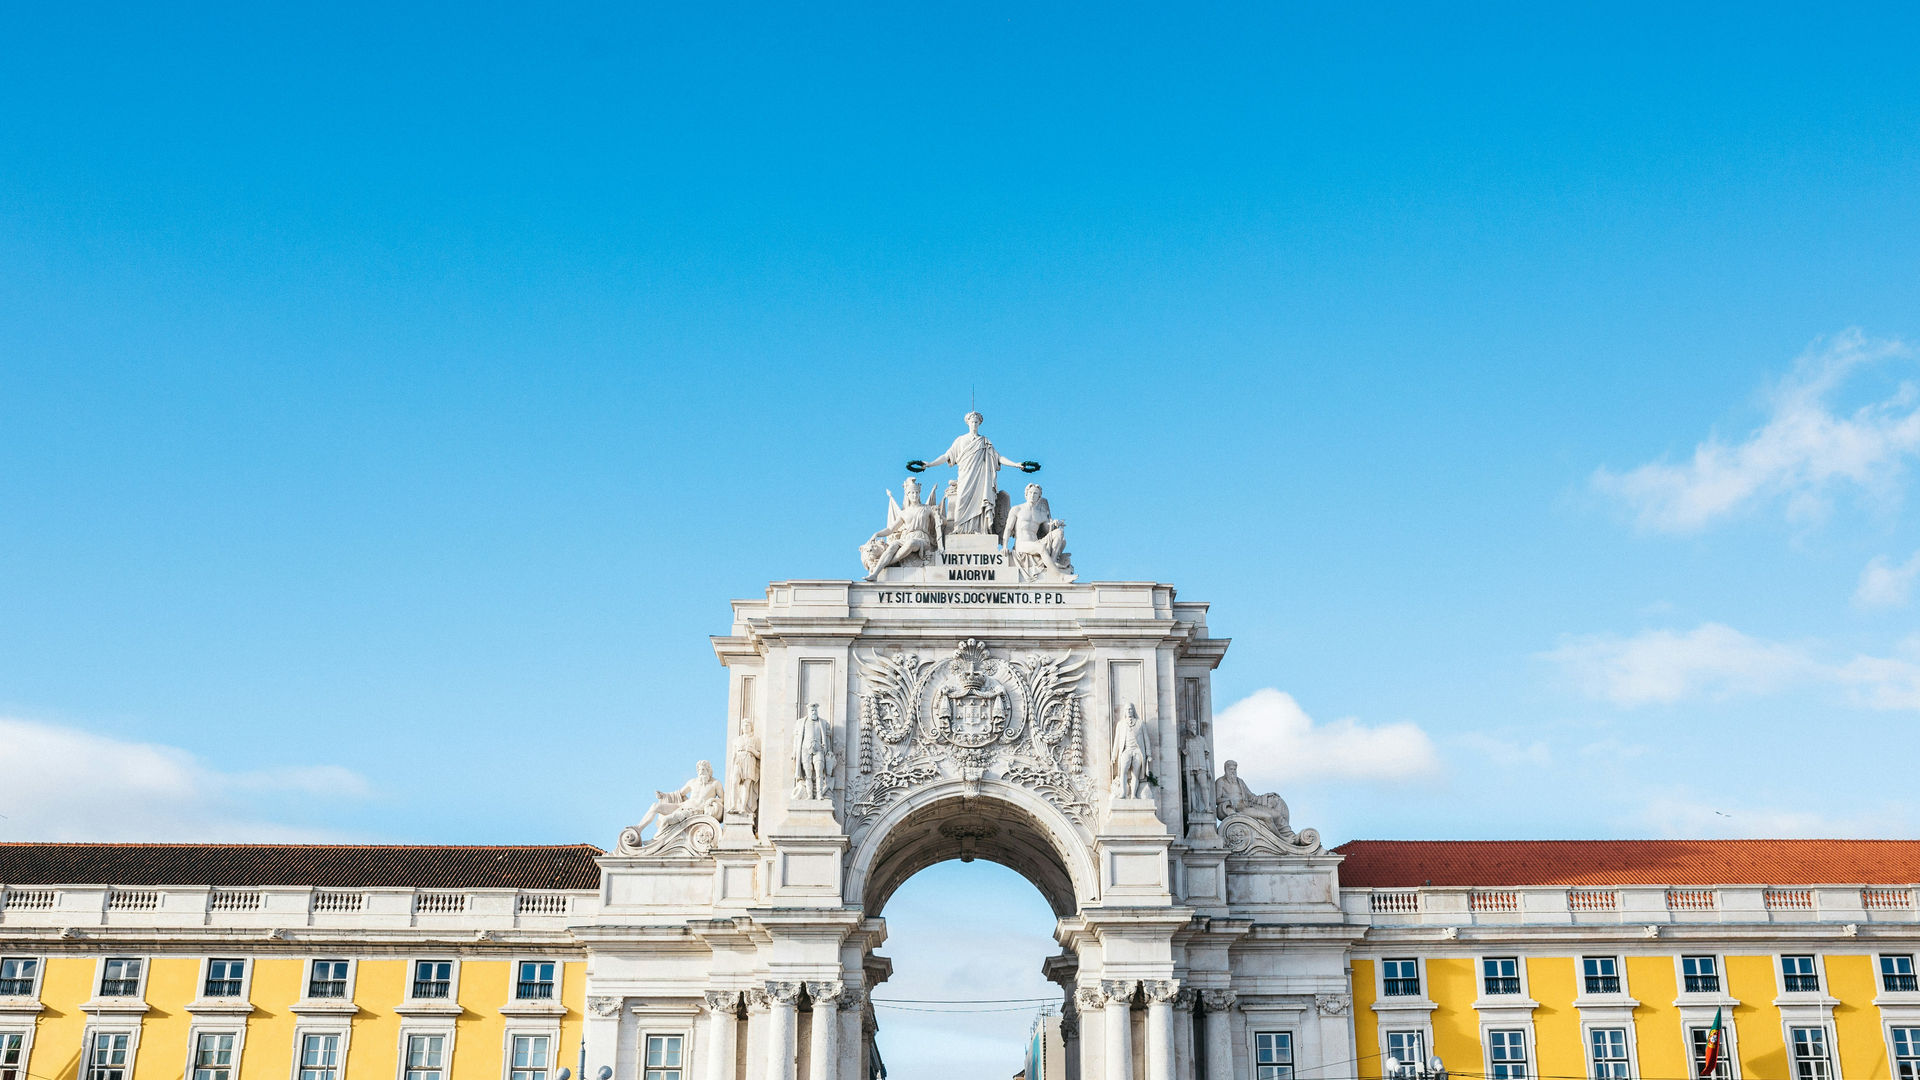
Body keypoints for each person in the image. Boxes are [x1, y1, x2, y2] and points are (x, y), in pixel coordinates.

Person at [909, 412, 1036, 534]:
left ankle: (980, 530)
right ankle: (960, 529)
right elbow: (946, 456)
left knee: (980, 503)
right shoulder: (960, 440)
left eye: (976, 422)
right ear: (967, 423)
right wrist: (930, 464)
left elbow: (998, 458)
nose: (974, 424)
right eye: (972, 422)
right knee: (962, 501)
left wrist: (1016, 464)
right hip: (965, 476)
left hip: (981, 478)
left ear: (979, 423)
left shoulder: (984, 441)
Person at [860, 478, 943, 580]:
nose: (914, 495)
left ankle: (887, 563)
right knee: (893, 545)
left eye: (916, 492)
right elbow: (891, 529)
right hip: (907, 538)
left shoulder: (927, 509)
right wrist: (876, 534)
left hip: (922, 539)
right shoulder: (904, 513)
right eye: (912, 493)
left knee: (911, 543)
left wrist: (938, 514)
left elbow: (943, 522)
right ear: (907, 495)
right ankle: (875, 574)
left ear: (919, 493)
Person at [637, 760, 723, 838]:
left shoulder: (715, 783)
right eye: (699, 771)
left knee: (666, 820)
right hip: (682, 806)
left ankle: (656, 842)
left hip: (694, 812)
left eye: (703, 770)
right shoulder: (692, 782)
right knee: (655, 806)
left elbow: (724, 799)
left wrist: (713, 800)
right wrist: (664, 795)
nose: (701, 773)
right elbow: (679, 794)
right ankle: (638, 829)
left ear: (708, 770)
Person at [1001, 483, 1071, 577]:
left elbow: (1047, 530)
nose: (1032, 495)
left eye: (1035, 493)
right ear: (1026, 494)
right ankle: (1058, 575)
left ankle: (1052, 561)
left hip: (1036, 542)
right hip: (1022, 544)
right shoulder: (1017, 509)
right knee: (1040, 548)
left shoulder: (1041, 513)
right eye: (1030, 493)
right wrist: (1005, 546)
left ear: (1039, 496)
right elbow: (1008, 528)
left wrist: (1054, 524)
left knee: (1059, 532)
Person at [1214, 759, 1292, 835]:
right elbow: (1217, 800)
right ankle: (1280, 839)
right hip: (1239, 810)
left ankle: (1289, 836)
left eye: (1235, 769)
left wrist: (1267, 796)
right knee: (1267, 817)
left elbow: (1251, 797)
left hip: (1248, 806)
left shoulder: (1240, 781)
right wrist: (1229, 800)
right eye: (1231, 769)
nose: (1233, 772)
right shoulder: (1220, 782)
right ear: (1226, 769)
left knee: (1277, 815)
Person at [726, 719, 760, 819]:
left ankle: (743, 807)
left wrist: (751, 750)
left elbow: (759, 755)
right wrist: (731, 770)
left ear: (751, 727)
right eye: (744, 725)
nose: (745, 727)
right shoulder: (736, 740)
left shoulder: (755, 739)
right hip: (738, 761)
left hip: (749, 760)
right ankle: (733, 805)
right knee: (734, 783)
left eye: (748, 725)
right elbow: (733, 755)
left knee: (746, 785)